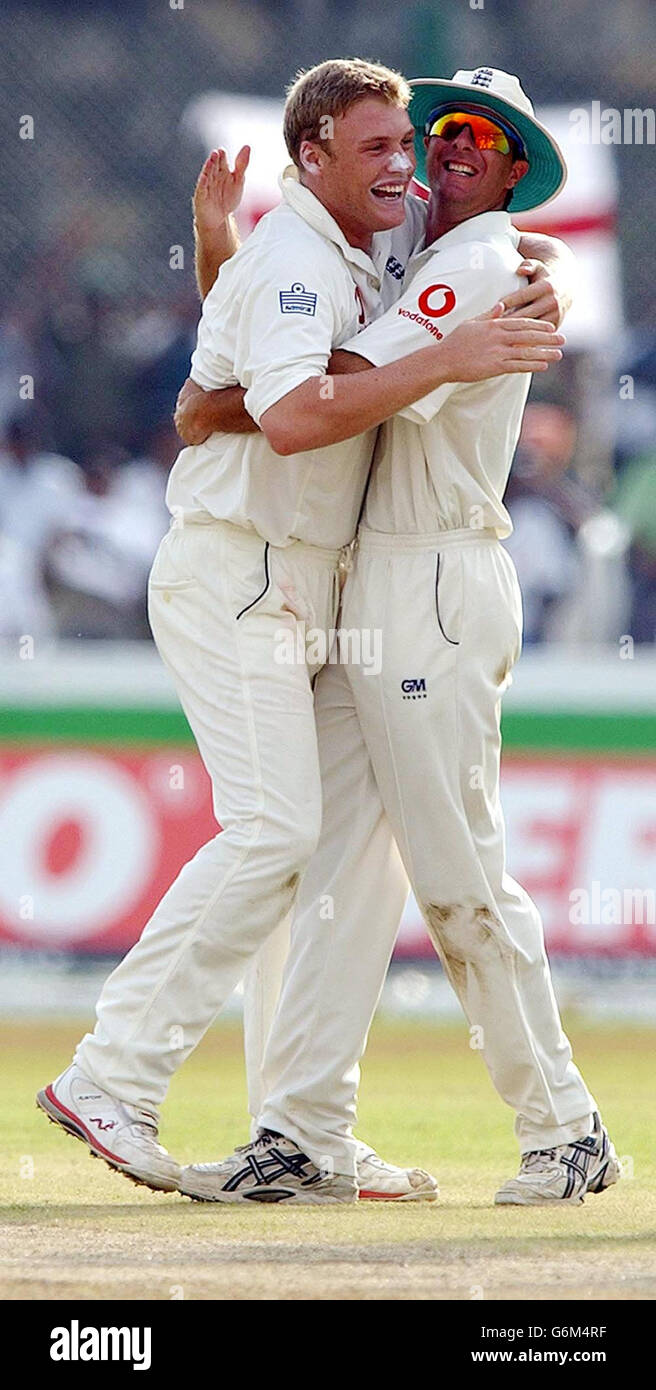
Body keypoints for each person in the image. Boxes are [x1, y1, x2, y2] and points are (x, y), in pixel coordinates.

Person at [176, 69, 619, 1207]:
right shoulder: (424, 252)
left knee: (455, 869)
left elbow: (320, 391)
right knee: (333, 866)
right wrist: (224, 259)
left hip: (431, 577)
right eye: (443, 129)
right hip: (376, 581)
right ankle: (302, 1131)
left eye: (486, 137)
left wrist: (210, 404)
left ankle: (565, 1129)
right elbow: (289, 335)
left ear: (516, 166)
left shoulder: (475, 260)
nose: (454, 146)